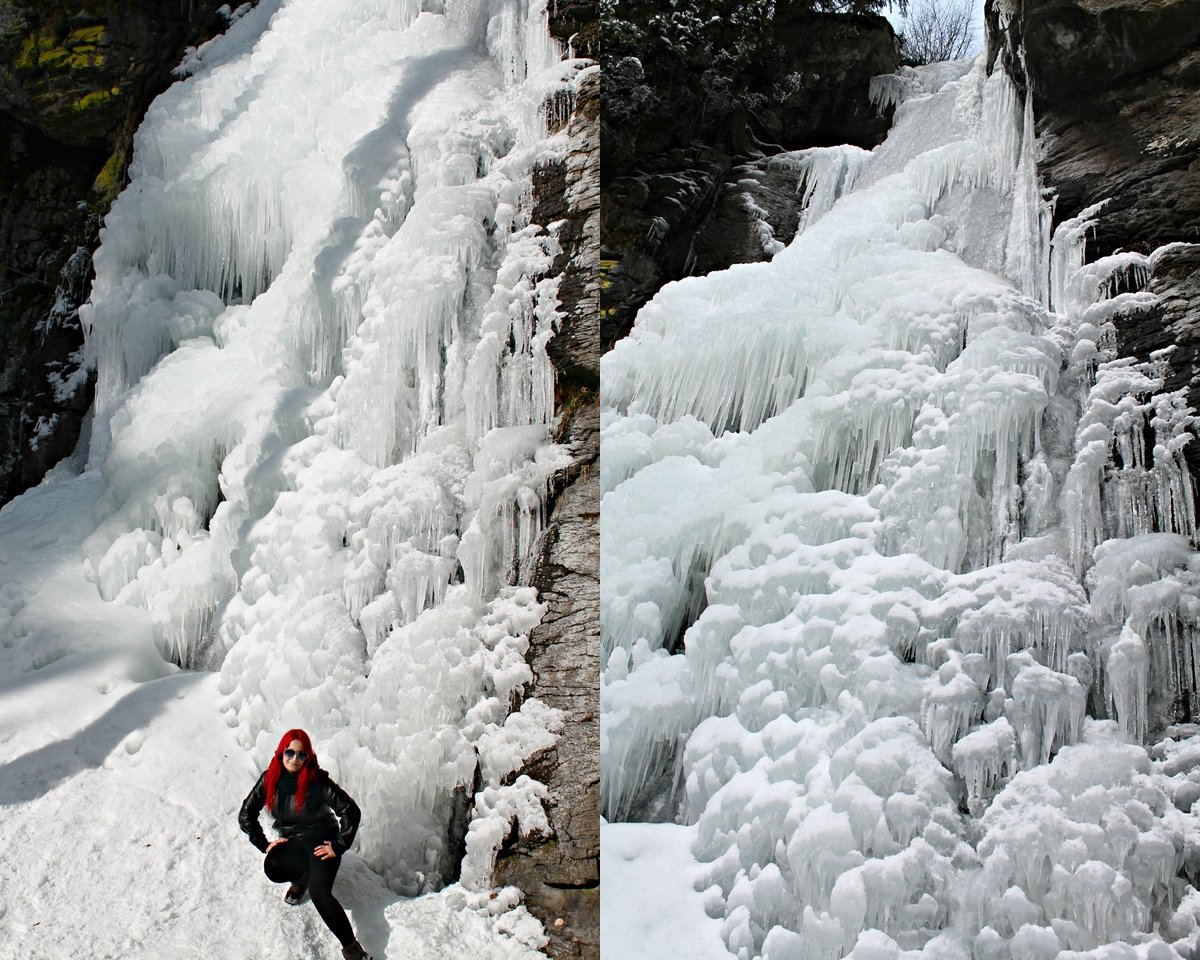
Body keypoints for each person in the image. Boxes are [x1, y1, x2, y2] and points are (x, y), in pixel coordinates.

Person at [239, 728, 372, 960]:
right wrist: (264, 844)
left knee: (320, 892)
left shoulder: (317, 782)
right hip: (294, 841)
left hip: (322, 840)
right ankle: (300, 880)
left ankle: (353, 951)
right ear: (281, 753)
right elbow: (246, 815)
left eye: (302, 755)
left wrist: (338, 845)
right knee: (274, 864)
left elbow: (351, 811)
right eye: (289, 753)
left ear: (308, 758)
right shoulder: (269, 778)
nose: (295, 759)